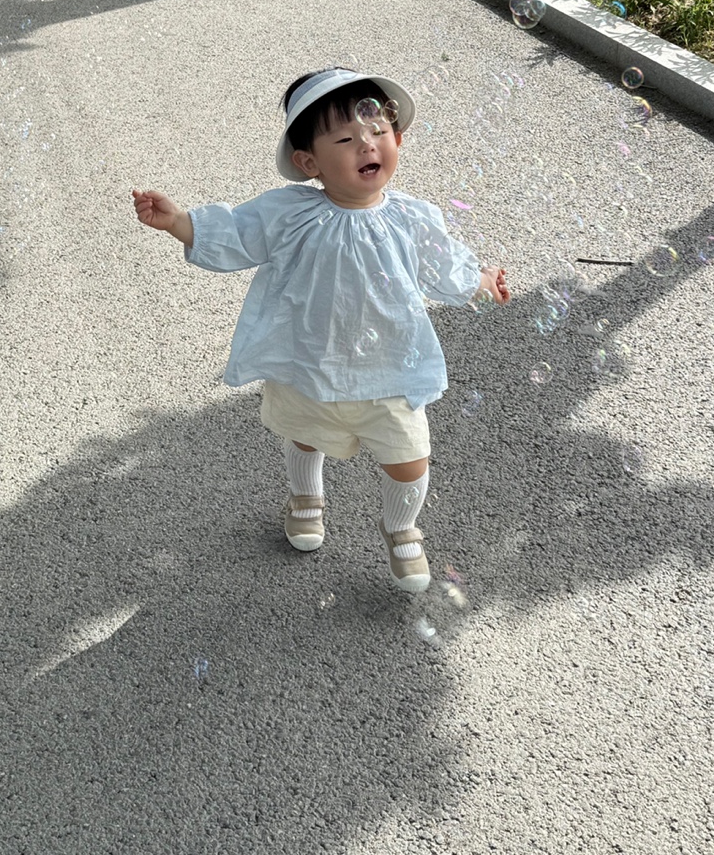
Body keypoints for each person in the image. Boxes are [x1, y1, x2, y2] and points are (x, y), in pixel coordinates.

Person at [132, 67, 510, 594]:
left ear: (398, 140)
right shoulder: (289, 213)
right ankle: (306, 498)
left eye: (378, 131)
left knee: (409, 459)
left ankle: (401, 526)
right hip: (308, 360)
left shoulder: (413, 218)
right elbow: (238, 233)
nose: (367, 145)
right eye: (346, 140)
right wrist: (179, 223)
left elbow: (444, 267)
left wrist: (481, 282)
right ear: (309, 162)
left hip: (390, 368)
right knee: (305, 434)